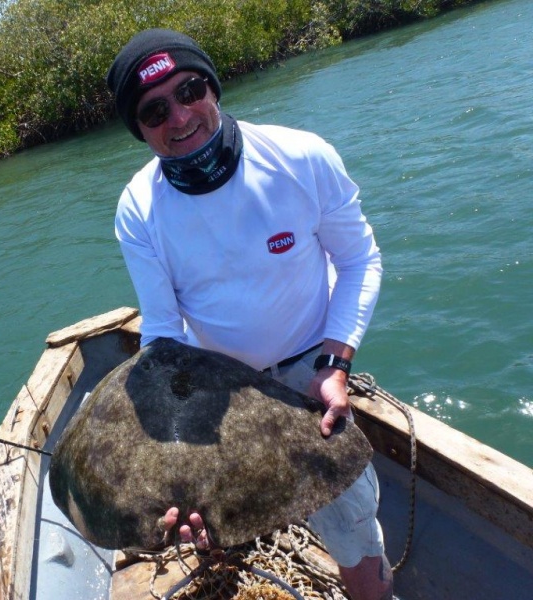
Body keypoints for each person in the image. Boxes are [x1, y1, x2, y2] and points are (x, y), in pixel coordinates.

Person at [106, 29, 392, 600]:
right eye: (155, 109)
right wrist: (170, 447)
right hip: (213, 385)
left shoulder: (300, 157)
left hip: (310, 371)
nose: (179, 115)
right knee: (211, 522)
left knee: (354, 535)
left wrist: (334, 363)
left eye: (189, 90)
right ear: (139, 130)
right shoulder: (138, 209)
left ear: (213, 87)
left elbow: (360, 258)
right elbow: (161, 332)